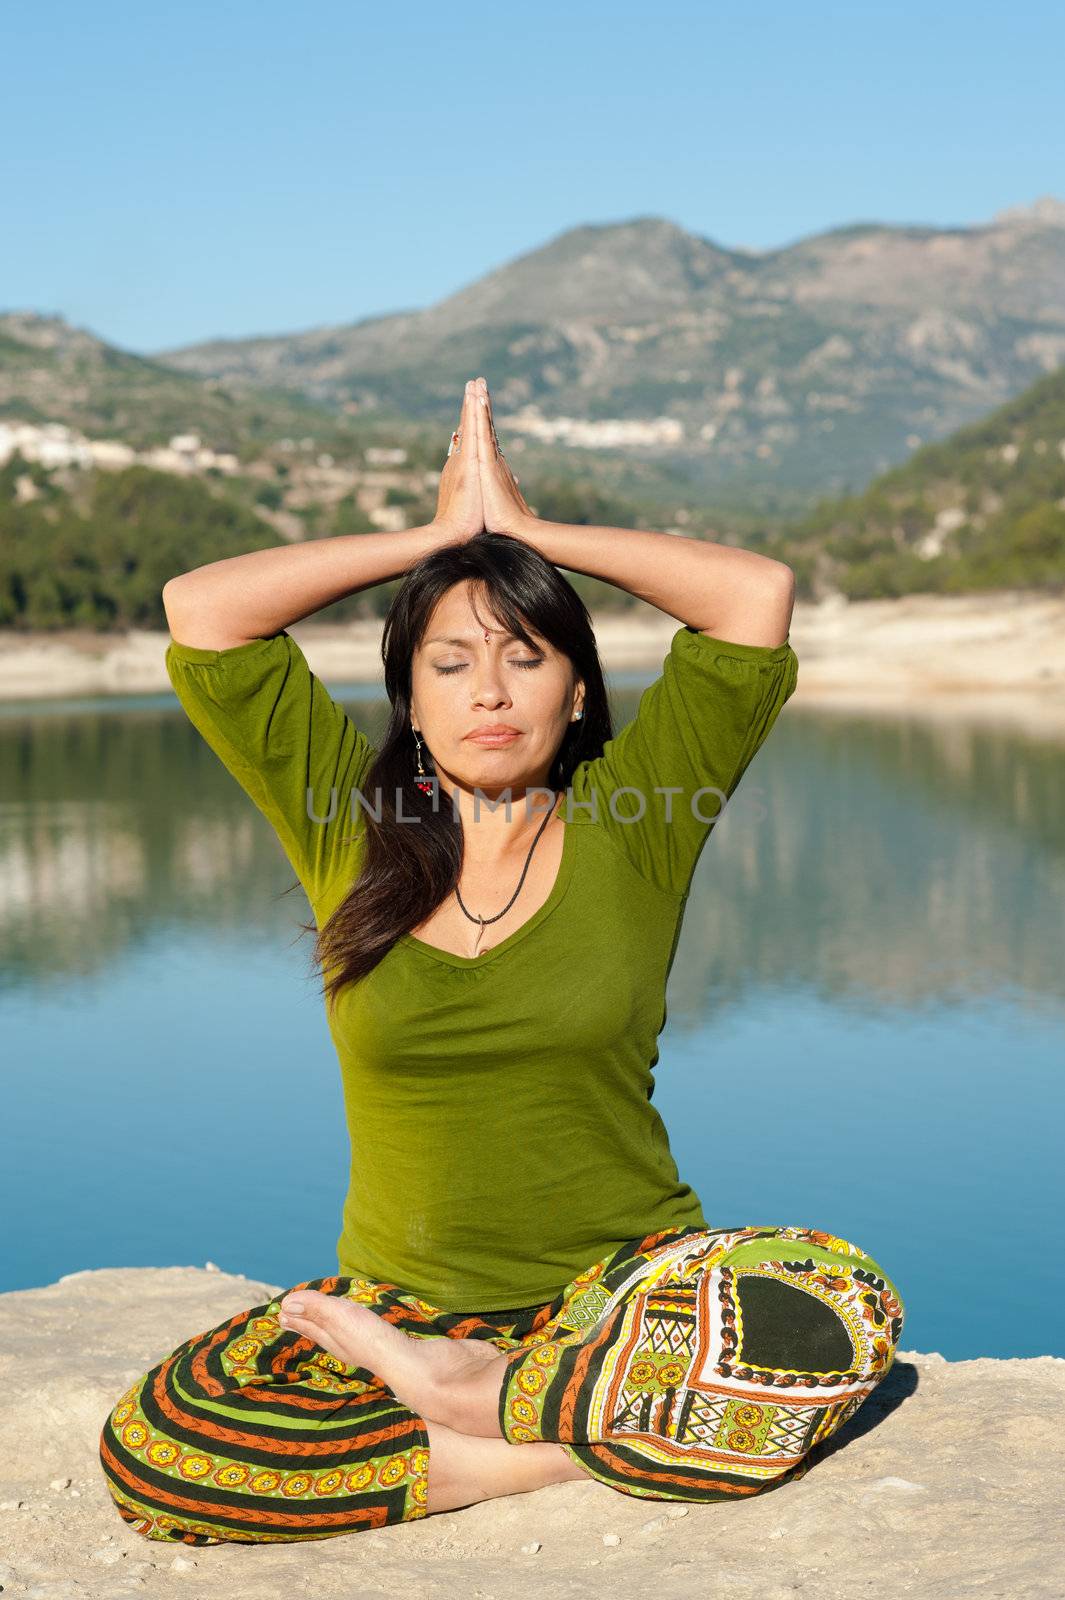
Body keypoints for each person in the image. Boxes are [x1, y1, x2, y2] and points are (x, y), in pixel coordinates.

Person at [99, 376, 904, 1546]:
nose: (488, 691)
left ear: (578, 694)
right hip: (396, 1309)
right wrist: (435, 540)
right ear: (409, 701)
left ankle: (482, 1411)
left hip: (624, 1293)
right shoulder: (346, 828)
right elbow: (204, 610)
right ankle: (567, 1446)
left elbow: (751, 597)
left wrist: (528, 534)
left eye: (525, 659)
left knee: (841, 1299)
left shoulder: (636, 821)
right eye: (449, 663)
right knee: (161, 1451)